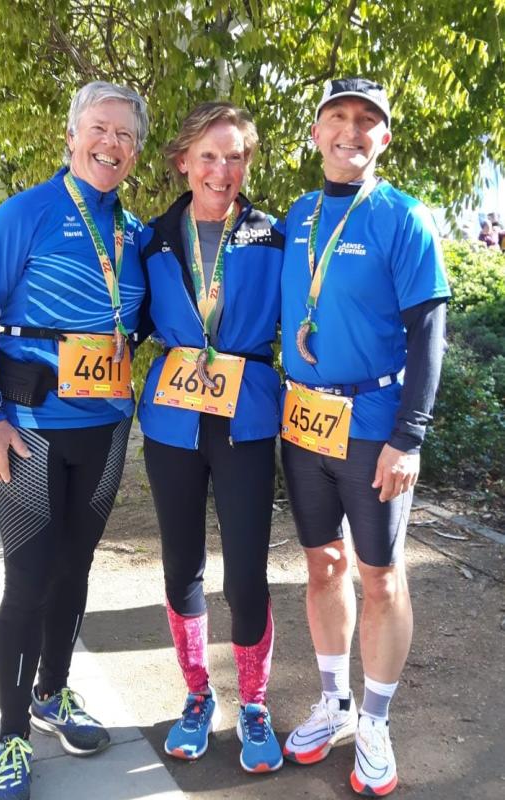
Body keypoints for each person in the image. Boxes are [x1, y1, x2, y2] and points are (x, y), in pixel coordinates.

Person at [0, 81, 148, 800]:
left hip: (106, 430)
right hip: (30, 431)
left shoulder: (135, 233)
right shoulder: (25, 213)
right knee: (29, 581)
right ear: (71, 136)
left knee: (74, 570)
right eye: (99, 128)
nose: (110, 143)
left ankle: (52, 693)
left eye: (125, 134)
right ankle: (11, 736)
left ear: (137, 150)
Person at [280, 77, 450, 795]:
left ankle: (375, 722)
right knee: (323, 565)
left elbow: (429, 333)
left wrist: (408, 437)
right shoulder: (297, 216)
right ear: (316, 132)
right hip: (303, 423)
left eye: (366, 120)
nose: (351, 130)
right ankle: (334, 702)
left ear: (384, 137)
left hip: (374, 429)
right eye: (337, 117)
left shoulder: (403, 217)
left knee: (380, 576)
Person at [138, 102, 284, 773]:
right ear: (183, 162)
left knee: (247, 570)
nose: (221, 170)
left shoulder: (272, 236)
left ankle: (253, 702)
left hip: (245, 414)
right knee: (181, 563)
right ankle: (198, 694)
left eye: (235, 157)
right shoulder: (151, 239)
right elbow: (125, 315)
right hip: (173, 416)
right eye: (208, 156)